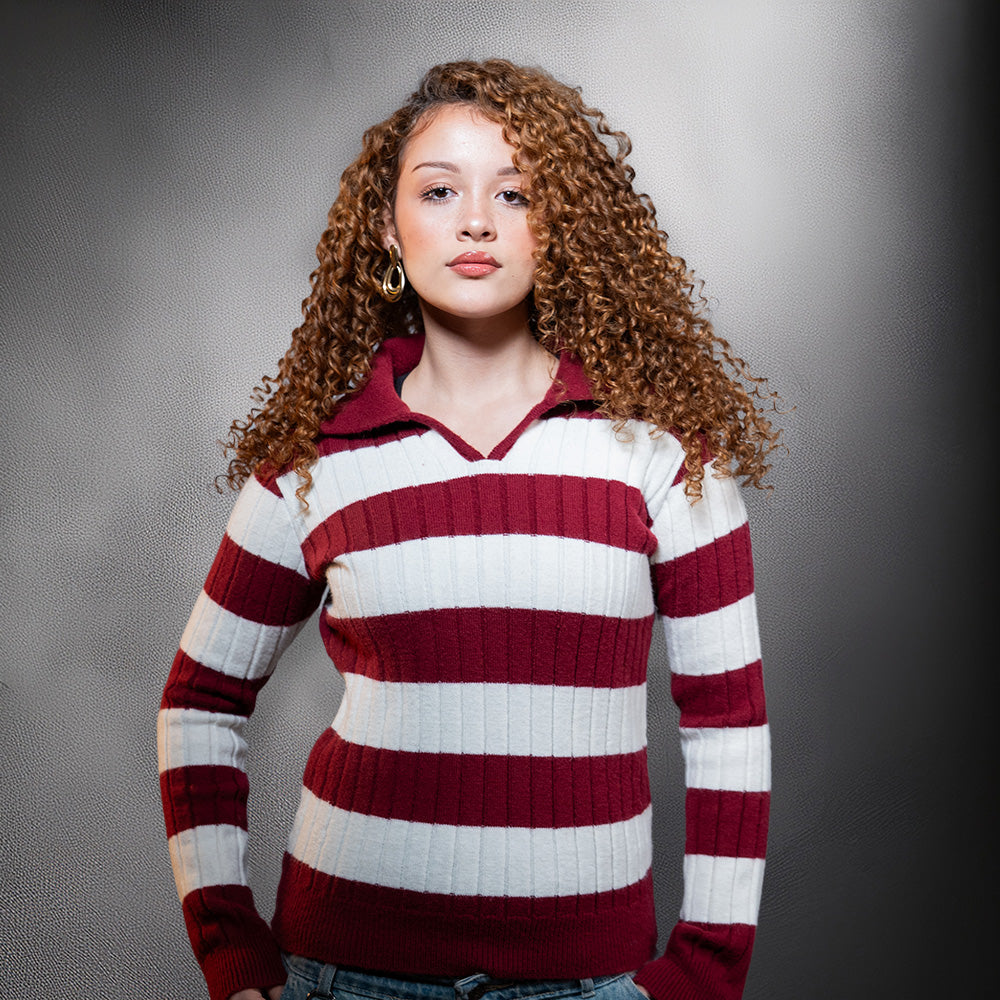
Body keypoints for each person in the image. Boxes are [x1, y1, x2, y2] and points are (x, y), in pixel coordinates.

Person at [158, 58, 778, 1000]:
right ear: (387, 226)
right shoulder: (314, 460)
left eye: (515, 193)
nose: (477, 221)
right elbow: (200, 701)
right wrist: (229, 946)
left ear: (559, 226)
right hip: (342, 975)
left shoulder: (664, 453)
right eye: (440, 190)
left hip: (589, 983)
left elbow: (729, 722)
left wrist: (706, 971)